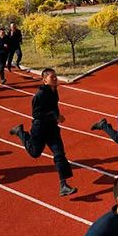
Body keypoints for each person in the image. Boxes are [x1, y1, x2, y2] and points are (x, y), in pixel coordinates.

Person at [8, 68, 78, 196]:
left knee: (59, 154)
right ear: (44, 80)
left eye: (56, 76)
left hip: (52, 129)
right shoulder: (40, 95)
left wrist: (57, 116)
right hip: (39, 129)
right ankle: (20, 132)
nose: (55, 79)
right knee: (35, 153)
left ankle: (63, 185)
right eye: (52, 77)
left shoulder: (54, 91)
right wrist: (54, 116)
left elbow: (54, 107)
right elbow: (36, 114)